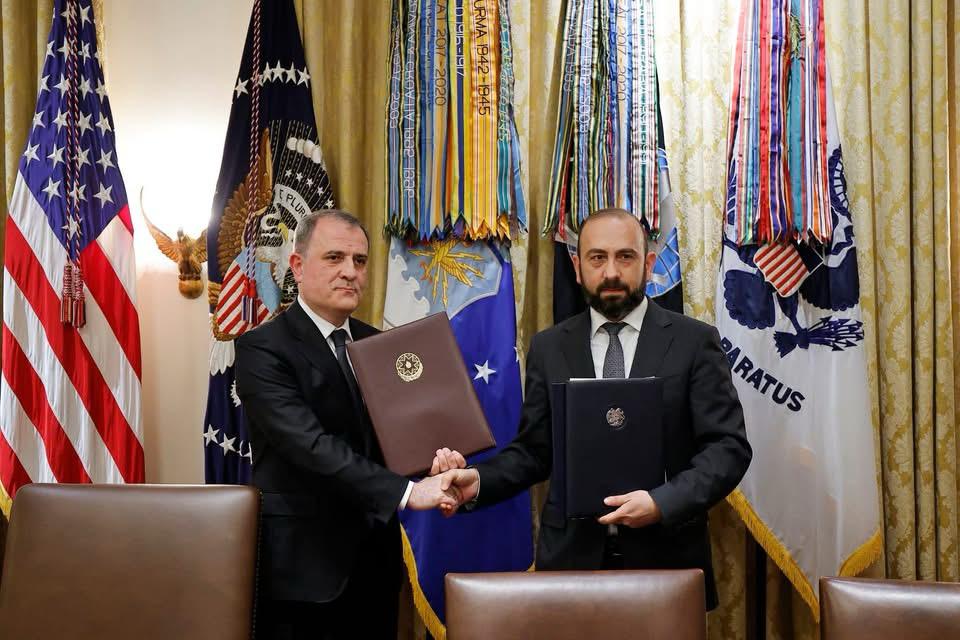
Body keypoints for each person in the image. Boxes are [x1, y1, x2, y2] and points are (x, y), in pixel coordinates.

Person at [434, 208, 752, 610]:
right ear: (577, 267)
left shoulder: (695, 342)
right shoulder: (549, 347)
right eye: (597, 258)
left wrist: (662, 503)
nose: (611, 272)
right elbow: (534, 452)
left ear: (648, 263)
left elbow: (727, 449)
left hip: (667, 562)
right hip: (570, 565)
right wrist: (477, 481)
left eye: (625, 257)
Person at [235, 210, 459, 639]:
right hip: (303, 575)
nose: (350, 272)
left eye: (359, 261)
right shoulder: (262, 349)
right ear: (297, 266)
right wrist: (409, 493)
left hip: (375, 565)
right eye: (334, 257)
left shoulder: (380, 345)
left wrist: (435, 463)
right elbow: (310, 446)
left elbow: (398, 440)